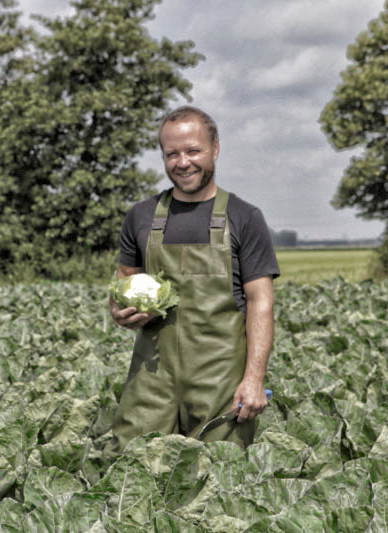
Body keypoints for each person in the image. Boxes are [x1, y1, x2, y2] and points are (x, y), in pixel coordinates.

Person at [107, 105, 280, 453]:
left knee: (220, 475)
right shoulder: (141, 217)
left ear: (215, 148)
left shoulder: (243, 217)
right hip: (152, 376)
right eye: (172, 154)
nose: (182, 162)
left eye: (193, 151)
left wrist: (254, 379)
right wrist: (118, 312)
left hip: (219, 378)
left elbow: (261, 302)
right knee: (129, 465)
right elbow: (122, 285)